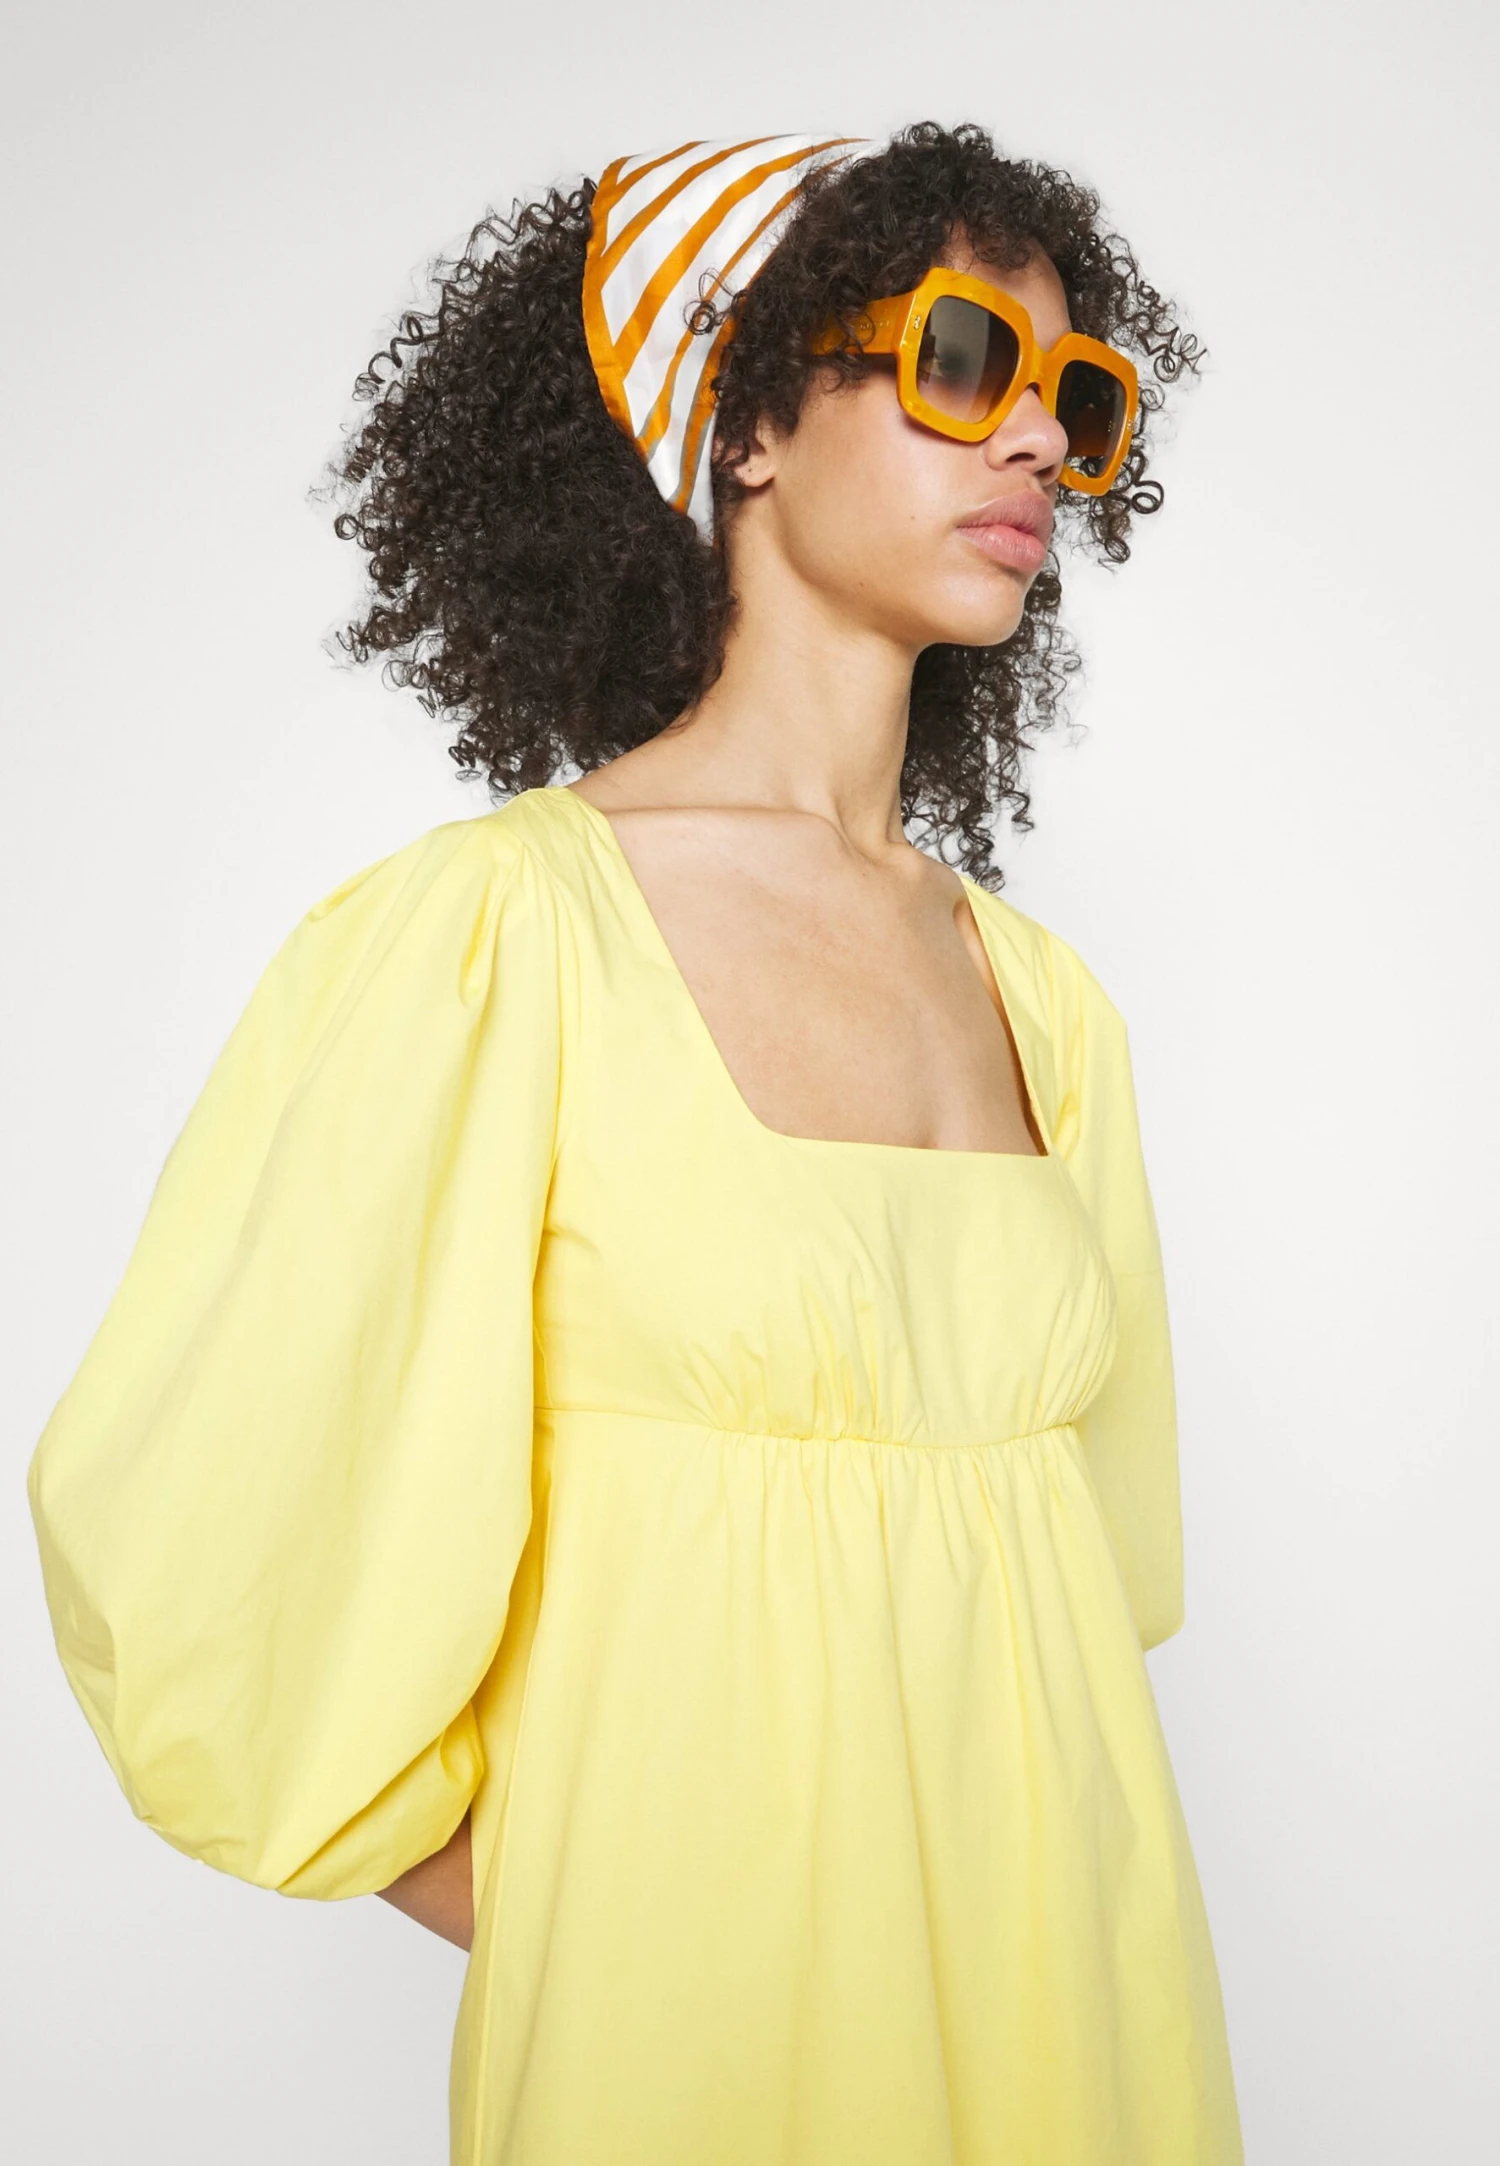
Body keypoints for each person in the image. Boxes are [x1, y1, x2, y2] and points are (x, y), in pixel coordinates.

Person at [27, 122, 1242, 2164]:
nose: (1039, 438)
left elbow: (1081, 1599)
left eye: (1079, 397)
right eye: (962, 360)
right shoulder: (498, 939)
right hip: (688, 2045)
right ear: (746, 414)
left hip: (1075, 2000)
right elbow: (197, 1547)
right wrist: (591, 1899)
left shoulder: (1046, 1006)